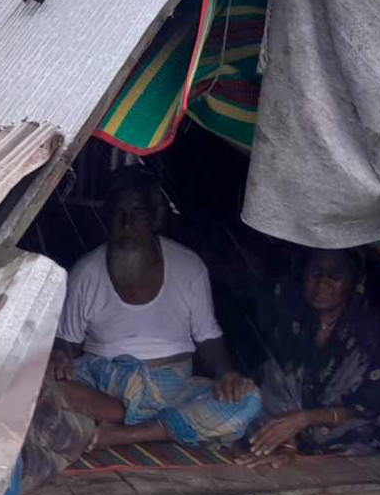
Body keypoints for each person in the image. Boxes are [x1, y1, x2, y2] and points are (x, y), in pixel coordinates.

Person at [44, 172, 261, 453]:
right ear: (106, 217)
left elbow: (207, 338)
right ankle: (144, 420)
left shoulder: (188, 266)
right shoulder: (86, 272)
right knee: (34, 387)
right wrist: (58, 357)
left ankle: (124, 433)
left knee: (248, 401)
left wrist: (226, 374)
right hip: (103, 382)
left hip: (171, 386)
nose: (127, 225)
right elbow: (68, 343)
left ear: (155, 218)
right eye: (119, 214)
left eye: (138, 215)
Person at [245, 247, 380, 462]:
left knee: (363, 435)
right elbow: (274, 384)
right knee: (249, 407)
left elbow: (370, 407)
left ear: (354, 281)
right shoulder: (292, 321)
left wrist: (305, 419)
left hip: (349, 427)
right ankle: (288, 444)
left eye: (335, 276)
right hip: (292, 422)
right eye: (315, 273)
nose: (322, 284)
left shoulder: (370, 333)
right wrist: (289, 434)